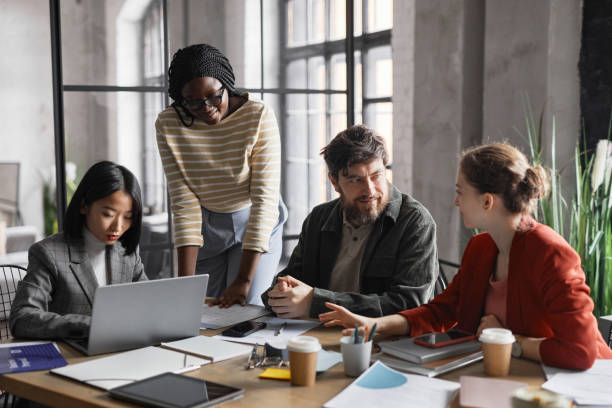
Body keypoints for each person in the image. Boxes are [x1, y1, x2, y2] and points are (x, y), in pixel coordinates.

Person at [320, 142, 612, 370]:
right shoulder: (481, 247)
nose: (455, 201)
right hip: (509, 377)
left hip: (573, 385)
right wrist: (373, 325)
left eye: (461, 192)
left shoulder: (551, 253)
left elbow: (582, 352)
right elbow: (442, 312)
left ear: (487, 201)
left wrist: (509, 341)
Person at [155, 43, 286, 307]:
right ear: (180, 99)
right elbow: (184, 203)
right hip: (206, 226)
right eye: (192, 101)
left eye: (214, 96)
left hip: (255, 219)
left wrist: (244, 281)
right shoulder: (169, 124)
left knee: (245, 309)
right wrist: (185, 285)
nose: (205, 107)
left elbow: (264, 201)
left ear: (226, 83)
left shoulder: (258, 116)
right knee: (200, 309)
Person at [262, 125, 439, 318]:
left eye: (376, 176)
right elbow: (290, 281)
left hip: (383, 341)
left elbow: (409, 305)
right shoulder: (318, 219)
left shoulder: (415, 222)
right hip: (316, 334)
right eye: (356, 180)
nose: (370, 190)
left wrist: (315, 303)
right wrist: (281, 293)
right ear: (334, 182)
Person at [10, 161, 147, 339]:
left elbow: (147, 303)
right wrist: (87, 325)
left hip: (122, 352)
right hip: (72, 356)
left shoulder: (127, 254)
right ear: (84, 206)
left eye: (128, 217)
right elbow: (22, 318)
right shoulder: (48, 253)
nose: (118, 226)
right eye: (108, 214)